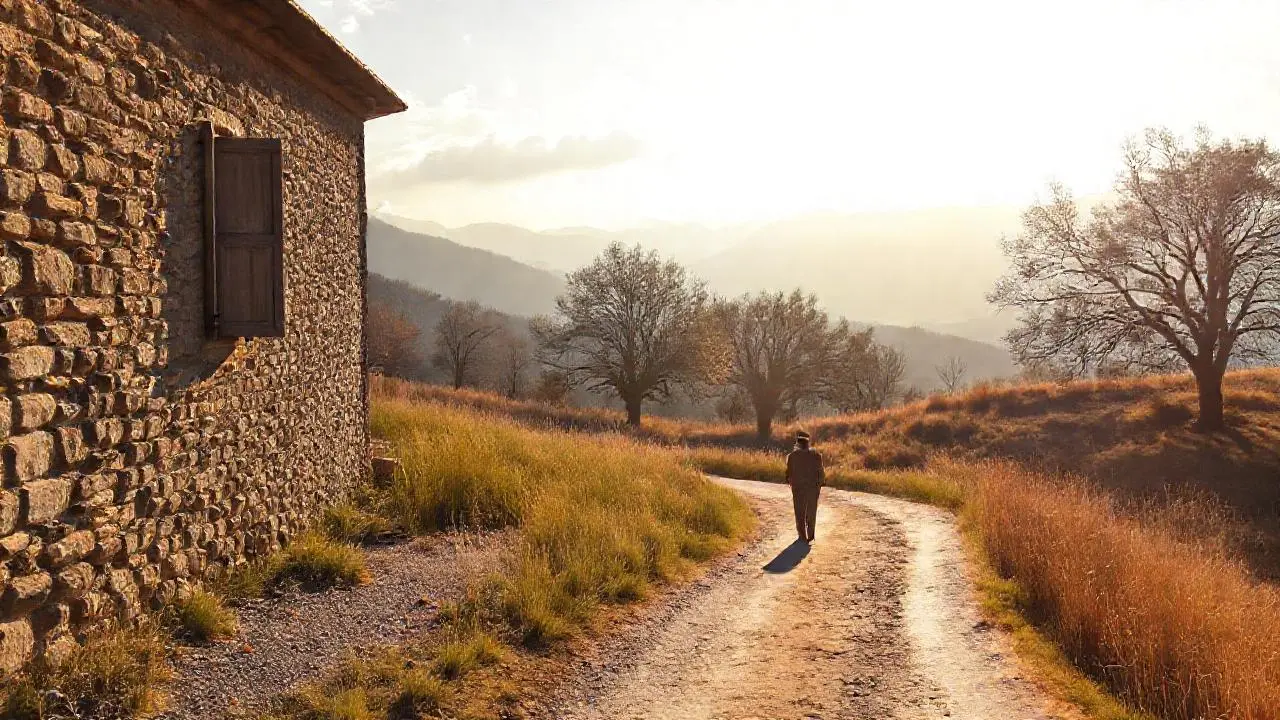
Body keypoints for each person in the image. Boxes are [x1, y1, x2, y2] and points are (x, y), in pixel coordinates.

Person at [785, 430, 825, 543]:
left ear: (797, 443)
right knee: (811, 511)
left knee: (799, 511)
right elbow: (821, 472)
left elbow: (788, 473)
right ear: (808, 443)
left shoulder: (792, 456)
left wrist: (790, 481)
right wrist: (820, 483)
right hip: (813, 487)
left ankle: (802, 535)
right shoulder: (816, 455)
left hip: (798, 487)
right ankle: (811, 534)